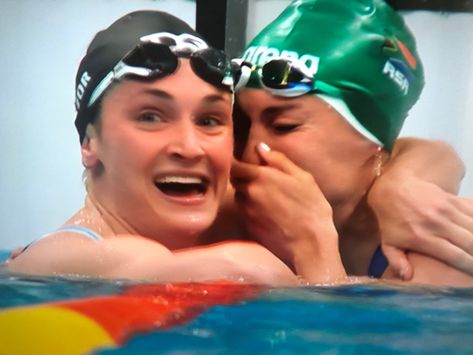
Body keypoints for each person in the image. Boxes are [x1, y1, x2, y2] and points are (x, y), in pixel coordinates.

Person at [5, 10, 298, 286]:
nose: (190, 147)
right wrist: (313, 245)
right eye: (150, 117)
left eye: (209, 120)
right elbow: (251, 270)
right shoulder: (81, 255)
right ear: (89, 144)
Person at [229, 0, 473, 286]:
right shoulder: (227, 211)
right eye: (243, 125)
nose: (251, 150)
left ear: (374, 139)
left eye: (284, 126)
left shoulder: (436, 252)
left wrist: (311, 243)